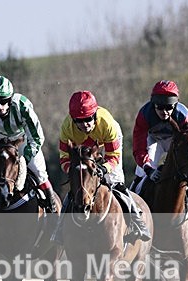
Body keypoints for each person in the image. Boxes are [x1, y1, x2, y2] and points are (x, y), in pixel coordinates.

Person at [52, 90, 151, 244]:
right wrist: (74, 171)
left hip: (106, 144)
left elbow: (113, 156)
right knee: (77, 187)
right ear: (73, 119)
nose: (85, 124)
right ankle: (59, 228)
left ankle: (137, 221)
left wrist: (103, 169)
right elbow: (64, 159)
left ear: (95, 115)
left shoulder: (107, 123)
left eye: (88, 119)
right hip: (82, 149)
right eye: (79, 121)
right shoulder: (67, 128)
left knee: (115, 182)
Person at [0, 75, 58, 237]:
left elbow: (37, 137)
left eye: (4, 101)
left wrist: (24, 157)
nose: (0, 107)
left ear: (10, 99)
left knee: (39, 172)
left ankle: (52, 211)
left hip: (22, 142)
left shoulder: (22, 106)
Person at [130, 80, 188, 197]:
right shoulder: (144, 114)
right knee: (142, 171)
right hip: (153, 140)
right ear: (153, 104)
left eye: (169, 107)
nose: (164, 112)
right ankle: (134, 195)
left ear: (175, 105)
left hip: (174, 141)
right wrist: (148, 169)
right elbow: (139, 147)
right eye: (159, 107)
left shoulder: (183, 116)